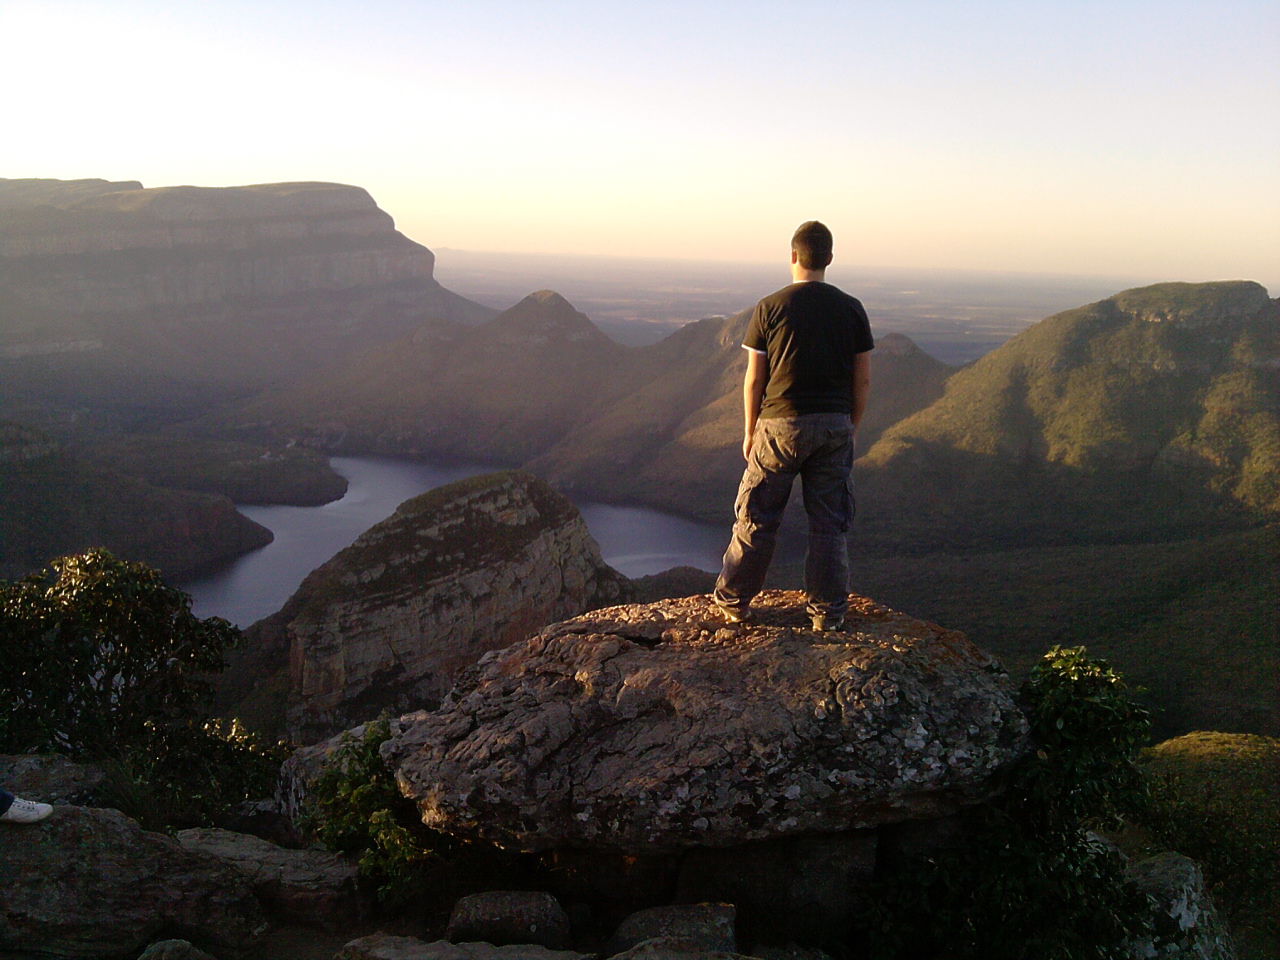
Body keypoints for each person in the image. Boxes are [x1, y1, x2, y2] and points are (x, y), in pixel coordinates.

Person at [713, 220, 873, 631]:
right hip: (835, 425)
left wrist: (750, 431)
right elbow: (863, 378)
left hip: (779, 425)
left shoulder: (770, 307)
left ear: (792, 257)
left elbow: (754, 378)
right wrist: (850, 425)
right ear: (830, 259)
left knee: (758, 516)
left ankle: (734, 602)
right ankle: (828, 614)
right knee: (829, 524)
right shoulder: (852, 308)